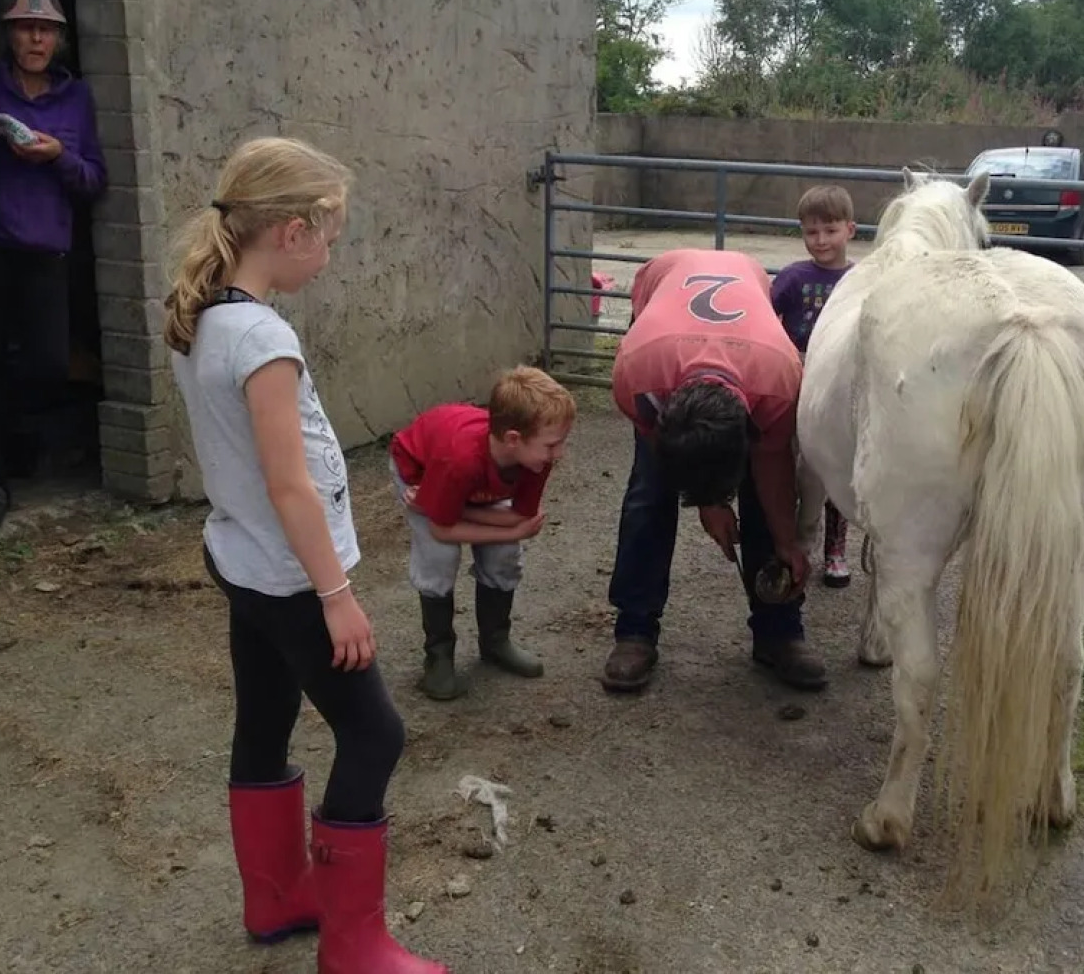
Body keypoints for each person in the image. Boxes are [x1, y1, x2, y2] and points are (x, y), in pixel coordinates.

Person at [165, 136, 449, 973]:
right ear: (291, 232)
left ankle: (275, 896)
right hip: (290, 576)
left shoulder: (204, 315)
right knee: (375, 736)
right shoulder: (262, 341)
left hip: (242, 559)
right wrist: (336, 594)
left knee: (266, 718)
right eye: (329, 236)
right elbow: (290, 486)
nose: (329, 253)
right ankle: (354, 945)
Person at [601, 246, 826, 693]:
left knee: (764, 496)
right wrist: (709, 501)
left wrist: (788, 541)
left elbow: (773, 465)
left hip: (746, 309)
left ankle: (779, 628)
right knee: (650, 491)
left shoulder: (780, 376)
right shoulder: (636, 371)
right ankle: (635, 628)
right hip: (664, 291)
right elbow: (667, 457)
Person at [0, 0, 107, 531]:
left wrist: (58, 155)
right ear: (7, 34)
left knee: (48, 363)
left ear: (60, 39)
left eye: (46, 29)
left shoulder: (76, 98)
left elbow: (94, 179)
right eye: (26, 27)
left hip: (46, 245)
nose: (36, 37)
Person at [390, 366, 575, 700]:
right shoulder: (459, 459)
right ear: (513, 439)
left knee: (504, 556)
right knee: (439, 558)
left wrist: (506, 525)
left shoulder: (535, 459)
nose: (558, 454)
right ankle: (438, 658)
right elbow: (442, 529)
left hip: (464, 490)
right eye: (552, 445)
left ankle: (495, 643)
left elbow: (521, 514)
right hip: (423, 471)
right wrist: (512, 530)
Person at [771, 183, 858, 588]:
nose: (821, 240)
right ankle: (794, 542)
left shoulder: (860, 281)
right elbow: (768, 327)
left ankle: (835, 549)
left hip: (839, 383)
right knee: (795, 464)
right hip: (798, 379)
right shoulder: (791, 279)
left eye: (830, 230)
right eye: (811, 232)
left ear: (850, 230)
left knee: (837, 465)